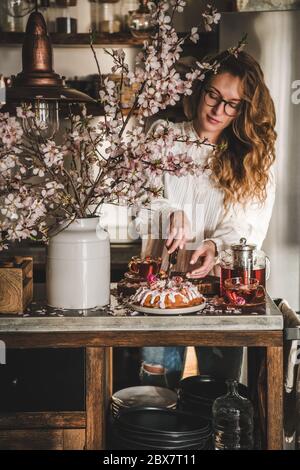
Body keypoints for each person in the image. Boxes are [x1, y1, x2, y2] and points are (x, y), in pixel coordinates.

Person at [136, 50, 277, 389]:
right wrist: (171, 212)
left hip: (221, 290)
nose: (218, 110)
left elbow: (247, 226)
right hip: (161, 289)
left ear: (244, 110)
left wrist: (215, 245)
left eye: (233, 103)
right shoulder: (163, 136)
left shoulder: (251, 157)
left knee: (219, 391)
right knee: (157, 391)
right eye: (214, 95)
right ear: (201, 90)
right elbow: (140, 199)